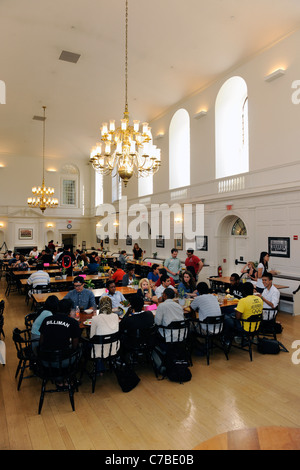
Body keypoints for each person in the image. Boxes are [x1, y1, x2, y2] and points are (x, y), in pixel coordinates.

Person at [39, 298, 81, 378]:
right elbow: (75, 343)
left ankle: (58, 376)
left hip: (45, 359)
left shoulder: (47, 319)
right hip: (62, 360)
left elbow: (41, 340)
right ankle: (67, 376)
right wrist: (74, 350)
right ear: (70, 310)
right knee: (81, 348)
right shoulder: (73, 322)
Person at [90, 296, 119, 360]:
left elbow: (91, 336)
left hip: (99, 349)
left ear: (100, 306)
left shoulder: (95, 319)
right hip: (113, 347)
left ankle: (99, 366)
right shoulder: (116, 316)